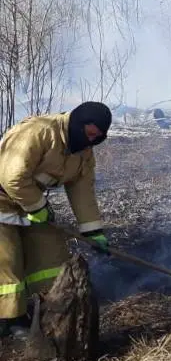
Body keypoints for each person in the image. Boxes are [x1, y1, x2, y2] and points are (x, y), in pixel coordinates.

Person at [0, 102, 112, 340]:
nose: (91, 141)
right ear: (78, 124)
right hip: (4, 198)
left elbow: (82, 189)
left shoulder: (82, 151)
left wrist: (93, 231)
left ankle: (52, 309)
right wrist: (37, 207)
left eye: (98, 138)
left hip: (27, 202)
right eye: (90, 134)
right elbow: (12, 177)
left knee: (52, 254)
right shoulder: (39, 132)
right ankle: (9, 320)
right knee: (7, 260)